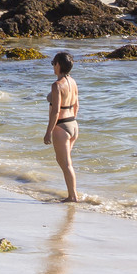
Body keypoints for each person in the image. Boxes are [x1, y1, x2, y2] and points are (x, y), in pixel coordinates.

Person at [44, 51, 80, 202]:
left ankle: (72, 196)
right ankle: (72, 194)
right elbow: (76, 105)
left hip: (61, 126)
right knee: (66, 162)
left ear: (58, 65)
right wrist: (72, 121)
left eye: (53, 63)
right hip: (73, 124)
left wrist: (48, 132)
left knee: (65, 164)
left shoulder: (57, 85)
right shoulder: (73, 82)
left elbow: (56, 111)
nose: (53, 66)